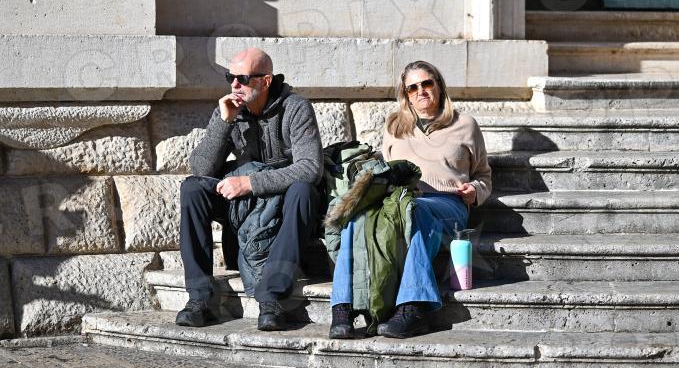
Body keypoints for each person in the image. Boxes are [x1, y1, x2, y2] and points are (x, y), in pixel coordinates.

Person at [329, 60, 492, 338]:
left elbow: (484, 175)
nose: (421, 91)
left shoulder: (465, 124)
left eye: (427, 83)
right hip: (400, 200)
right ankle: (342, 307)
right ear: (406, 94)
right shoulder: (395, 125)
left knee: (413, 211)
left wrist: (475, 191)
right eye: (412, 87)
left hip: (447, 204)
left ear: (439, 86)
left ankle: (413, 308)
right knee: (358, 217)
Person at [175, 47, 323, 331]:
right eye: (230, 77)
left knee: (304, 191)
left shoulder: (295, 108)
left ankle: (271, 299)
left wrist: (250, 183)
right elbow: (202, 169)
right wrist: (225, 122)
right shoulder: (230, 110)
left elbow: (310, 167)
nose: (234, 85)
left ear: (265, 81)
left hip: (282, 200)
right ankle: (199, 299)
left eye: (242, 78)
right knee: (193, 188)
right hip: (244, 205)